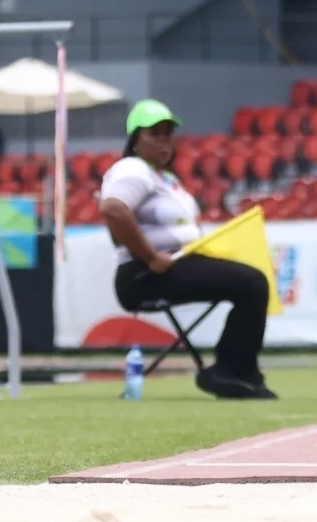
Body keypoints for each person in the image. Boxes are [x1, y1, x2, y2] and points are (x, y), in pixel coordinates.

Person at [99, 99, 276, 400]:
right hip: (145, 274)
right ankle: (231, 371)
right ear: (135, 140)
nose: (164, 140)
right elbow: (113, 209)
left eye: (168, 133)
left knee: (252, 282)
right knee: (252, 283)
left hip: (171, 265)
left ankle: (237, 370)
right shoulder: (133, 169)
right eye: (154, 133)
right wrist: (151, 257)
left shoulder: (165, 179)